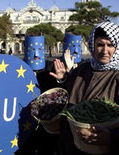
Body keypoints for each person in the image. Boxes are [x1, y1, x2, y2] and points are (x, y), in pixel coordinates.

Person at [50, 21, 119, 155]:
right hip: (70, 145)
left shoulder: (116, 75)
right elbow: (68, 95)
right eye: (100, 44)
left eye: (110, 45)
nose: (105, 50)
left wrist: (112, 137)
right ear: (92, 45)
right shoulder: (82, 69)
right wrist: (63, 79)